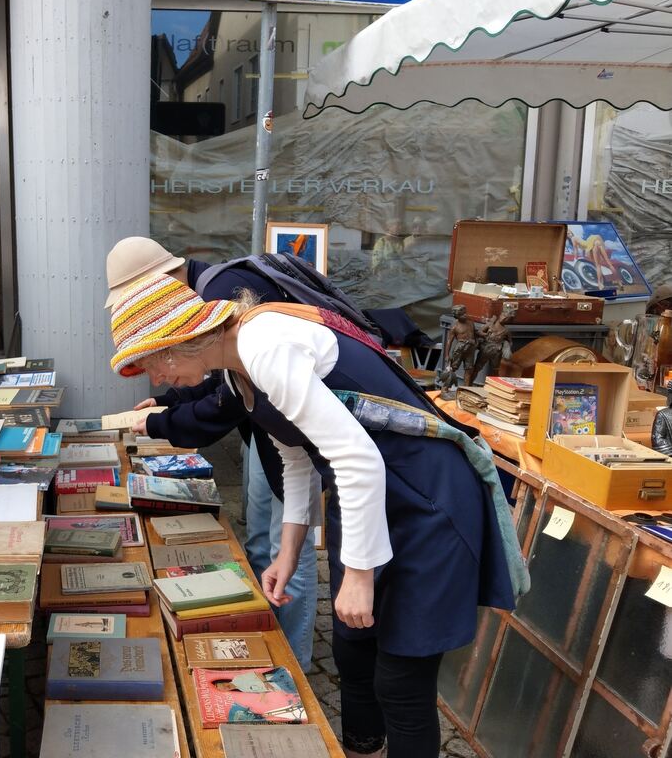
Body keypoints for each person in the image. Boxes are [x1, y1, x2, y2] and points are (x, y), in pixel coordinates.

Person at [108, 274, 524, 757]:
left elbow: (357, 458)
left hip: (426, 500)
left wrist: (360, 574)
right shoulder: (237, 362)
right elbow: (297, 457)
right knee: (352, 650)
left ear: (178, 342)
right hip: (371, 499)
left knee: (401, 682)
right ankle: (362, 749)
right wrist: (287, 554)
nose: (158, 380)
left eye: (152, 365)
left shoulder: (263, 345)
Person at [103, 236, 319, 671]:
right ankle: (266, 631)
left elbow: (229, 398)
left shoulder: (221, 294)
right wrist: (171, 404)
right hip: (270, 434)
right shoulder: (208, 288)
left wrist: (165, 421)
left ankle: (292, 660)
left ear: (158, 284)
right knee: (263, 541)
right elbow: (218, 381)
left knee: (288, 545)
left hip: (294, 435)